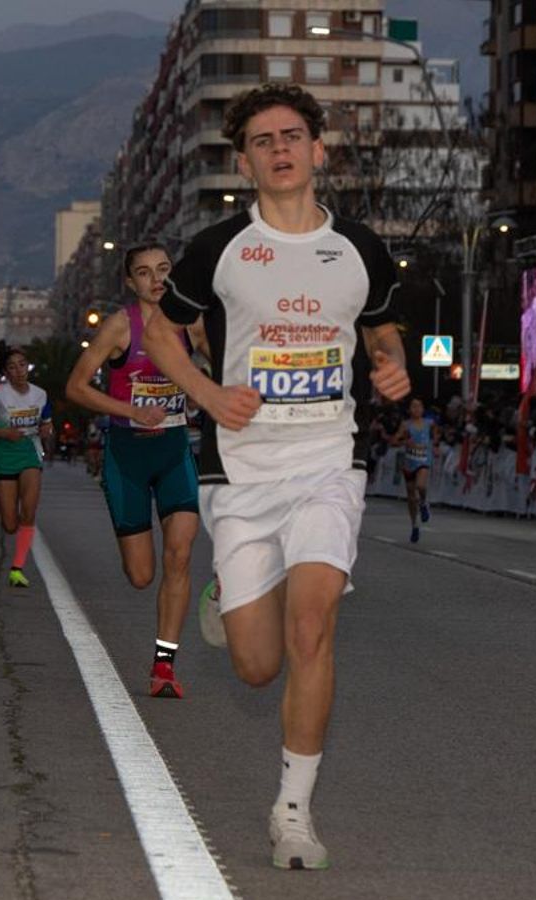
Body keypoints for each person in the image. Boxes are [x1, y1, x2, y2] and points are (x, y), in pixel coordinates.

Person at [142, 82, 410, 871]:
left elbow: (381, 333)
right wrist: (208, 394)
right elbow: (161, 330)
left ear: (319, 150)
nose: (282, 149)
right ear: (246, 160)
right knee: (257, 666)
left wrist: (392, 367)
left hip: (330, 458)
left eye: (294, 135)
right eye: (264, 140)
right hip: (243, 471)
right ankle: (230, 597)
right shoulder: (219, 246)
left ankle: (293, 810)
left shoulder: (359, 247)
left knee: (312, 627)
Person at [65, 241, 210, 699]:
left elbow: (222, 367)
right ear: (131, 282)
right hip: (127, 455)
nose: (156, 279)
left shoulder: (192, 323)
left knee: (181, 555)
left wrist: (200, 390)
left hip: (173, 451)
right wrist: (126, 408)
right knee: (142, 575)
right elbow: (75, 386)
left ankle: (163, 666)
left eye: (163, 269)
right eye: (144, 273)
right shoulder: (118, 327)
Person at [0, 343, 53, 588]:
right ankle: (14, 523)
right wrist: (4, 433)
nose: (19, 371)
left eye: (22, 365)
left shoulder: (40, 395)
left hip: (29, 454)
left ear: (28, 367)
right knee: (9, 525)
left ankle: (17, 568)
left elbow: (47, 423)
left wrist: (47, 429)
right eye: (12, 367)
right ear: (5, 372)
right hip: (4, 458)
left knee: (29, 512)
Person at [391, 397, 434, 542]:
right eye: (413, 407)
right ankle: (414, 525)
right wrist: (404, 442)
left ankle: (423, 502)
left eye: (419, 406)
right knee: (410, 496)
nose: (416, 409)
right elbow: (394, 441)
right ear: (409, 409)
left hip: (423, 460)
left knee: (420, 486)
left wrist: (434, 446)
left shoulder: (430, 424)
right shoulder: (406, 425)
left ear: (423, 409)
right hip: (409, 462)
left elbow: (436, 438)